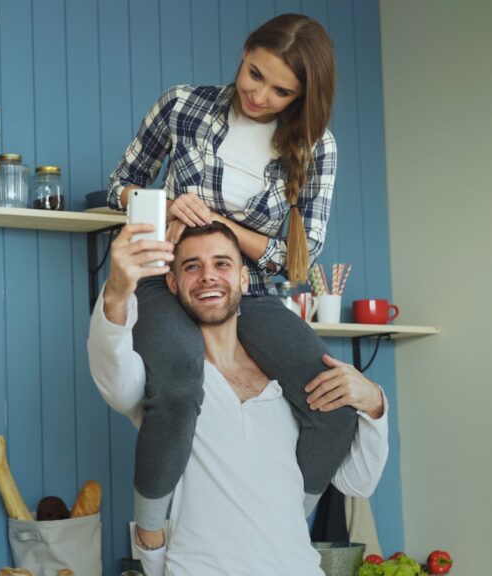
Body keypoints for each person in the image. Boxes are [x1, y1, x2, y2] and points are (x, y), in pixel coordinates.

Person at [106, 13, 350, 549]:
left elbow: (297, 260)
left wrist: (221, 228)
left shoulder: (317, 147)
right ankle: (149, 532)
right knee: (176, 389)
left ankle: (288, 522)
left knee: (333, 406)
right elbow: (120, 186)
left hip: (253, 292)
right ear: (244, 53)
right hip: (166, 279)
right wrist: (167, 204)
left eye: (282, 90)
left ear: (304, 95)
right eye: (254, 74)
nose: (260, 95)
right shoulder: (182, 105)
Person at [88, 222, 388, 575]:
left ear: (245, 280)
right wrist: (117, 292)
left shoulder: (291, 383)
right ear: (172, 284)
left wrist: (374, 402)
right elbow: (113, 374)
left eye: (222, 264)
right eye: (192, 267)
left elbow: (358, 481)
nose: (208, 277)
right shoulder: (165, 379)